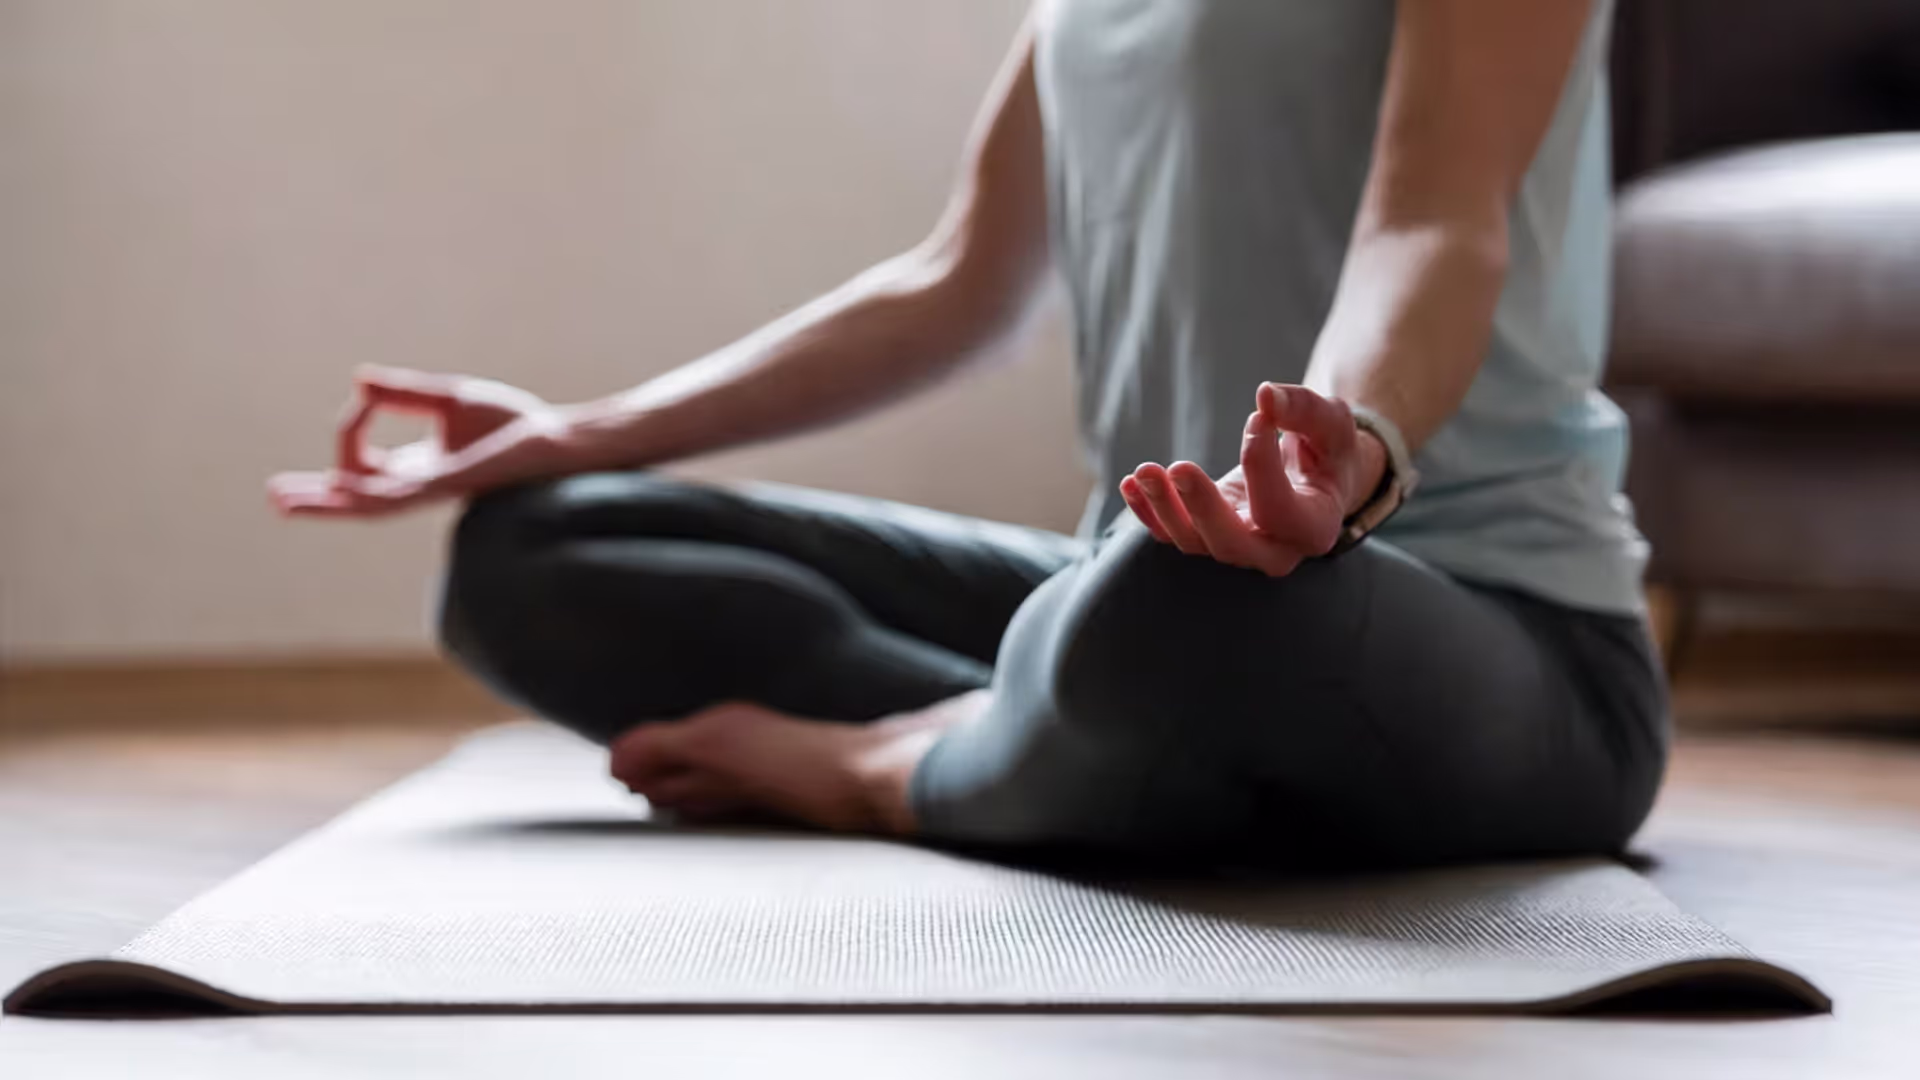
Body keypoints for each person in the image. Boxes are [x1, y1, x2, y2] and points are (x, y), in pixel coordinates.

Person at [269, 0, 1667, 870]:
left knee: (1182, 600)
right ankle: (1076, 742)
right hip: (1139, 596)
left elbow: (1431, 223)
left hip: (1502, 637)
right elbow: (954, 288)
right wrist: (574, 435)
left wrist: (1350, 451)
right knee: (537, 553)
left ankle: (892, 771)